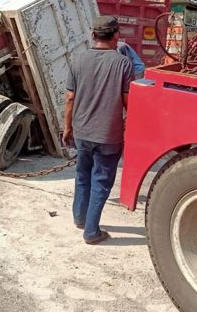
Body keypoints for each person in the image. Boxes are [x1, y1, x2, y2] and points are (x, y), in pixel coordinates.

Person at [63, 16, 133, 245]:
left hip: (82, 131)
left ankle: (79, 218)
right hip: (108, 135)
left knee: (83, 175)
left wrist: (67, 128)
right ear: (116, 35)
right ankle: (91, 232)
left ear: (93, 35)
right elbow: (127, 102)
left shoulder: (77, 59)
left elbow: (70, 99)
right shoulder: (122, 63)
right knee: (101, 181)